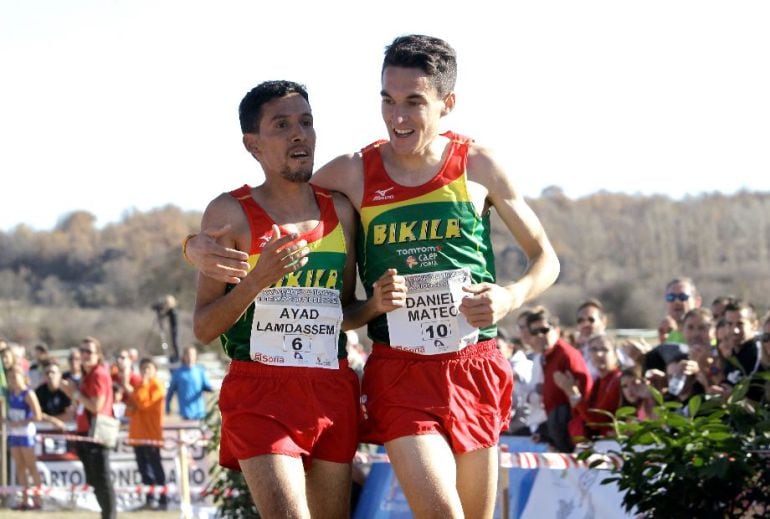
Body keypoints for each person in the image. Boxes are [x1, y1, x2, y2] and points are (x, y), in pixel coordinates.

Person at [188, 35, 560, 517]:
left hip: (474, 361)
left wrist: (510, 297)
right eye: (387, 100)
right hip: (398, 369)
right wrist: (192, 246)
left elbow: (545, 258)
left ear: (447, 104)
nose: (397, 117)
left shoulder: (478, 164)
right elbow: (279, 197)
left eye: (413, 103)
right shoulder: (350, 174)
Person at [192, 80, 364, 518]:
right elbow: (204, 327)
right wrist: (257, 279)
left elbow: (337, 315)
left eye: (306, 122)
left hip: (330, 384)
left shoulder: (341, 211)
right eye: (282, 125)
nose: (298, 134)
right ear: (253, 144)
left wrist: (375, 306)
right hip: (260, 390)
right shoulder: (229, 214)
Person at [61, 336, 116, 519]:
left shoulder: (99, 374)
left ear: (97, 354)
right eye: (82, 351)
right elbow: (85, 405)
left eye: (89, 352)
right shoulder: (87, 375)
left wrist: (75, 393)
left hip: (97, 432)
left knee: (102, 481)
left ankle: (109, 516)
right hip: (85, 432)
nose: (85, 355)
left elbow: (96, 406)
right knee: (95, 480)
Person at [528, 306, 592, 453]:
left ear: (556, 330)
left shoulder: (567, 354)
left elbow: (585, 393)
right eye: (534, 332)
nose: (540, 335)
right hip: (558, 429)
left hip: (574, 435)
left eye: (544, 330)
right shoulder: (546, 357)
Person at [564, 334, 622, 442]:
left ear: (615, 355)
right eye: (594, 350)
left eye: (605, 350)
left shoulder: (618, 380)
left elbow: (597, 421)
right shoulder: (598, 382)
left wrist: (575, 396)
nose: (599, 354)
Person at [127, 358, 168, 510]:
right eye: (143, 368)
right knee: (144, 469)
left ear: (154, 370)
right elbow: (130, 409)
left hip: (151, 435)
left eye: (148, 368)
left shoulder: (157, 386)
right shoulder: (138, 386)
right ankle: (149, 499)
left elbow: (144, 404)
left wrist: (142, 386)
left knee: (156, 468)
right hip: (137, 435)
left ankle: (163, 499)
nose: (145, 371)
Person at [5, 364, 43, 510]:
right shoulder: (10, 394)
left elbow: (38, 415)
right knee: (20, 467)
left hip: (26, 434)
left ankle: (38, 499)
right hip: (14, 434)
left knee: (31, 466)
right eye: (10, 377)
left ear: (23, 377)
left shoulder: (28, 393)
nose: (13, 380)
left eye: (16, 376)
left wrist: (21, 422)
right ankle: (25, 499)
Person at [166, 345, 213, 420]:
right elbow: (170, 391)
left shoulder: (200, 371)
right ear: (184, 356)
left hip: (200, 412)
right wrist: (167, 407)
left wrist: (213, 391)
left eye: (192, 354)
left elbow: (207, 386)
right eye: (188, 354)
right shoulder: (178, 373)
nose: (190, 357)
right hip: (185, 413)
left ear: (195, 356)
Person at [35, 361, 73, 430]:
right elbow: (36, 413)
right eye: (47, 373)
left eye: (53, 372)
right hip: (44, 427)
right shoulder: (39, 391)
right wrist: (53, 421)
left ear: (60, 374)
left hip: (65, 427)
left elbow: (70, 415)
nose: (50, 375)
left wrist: (52, 420)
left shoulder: (66, 390)